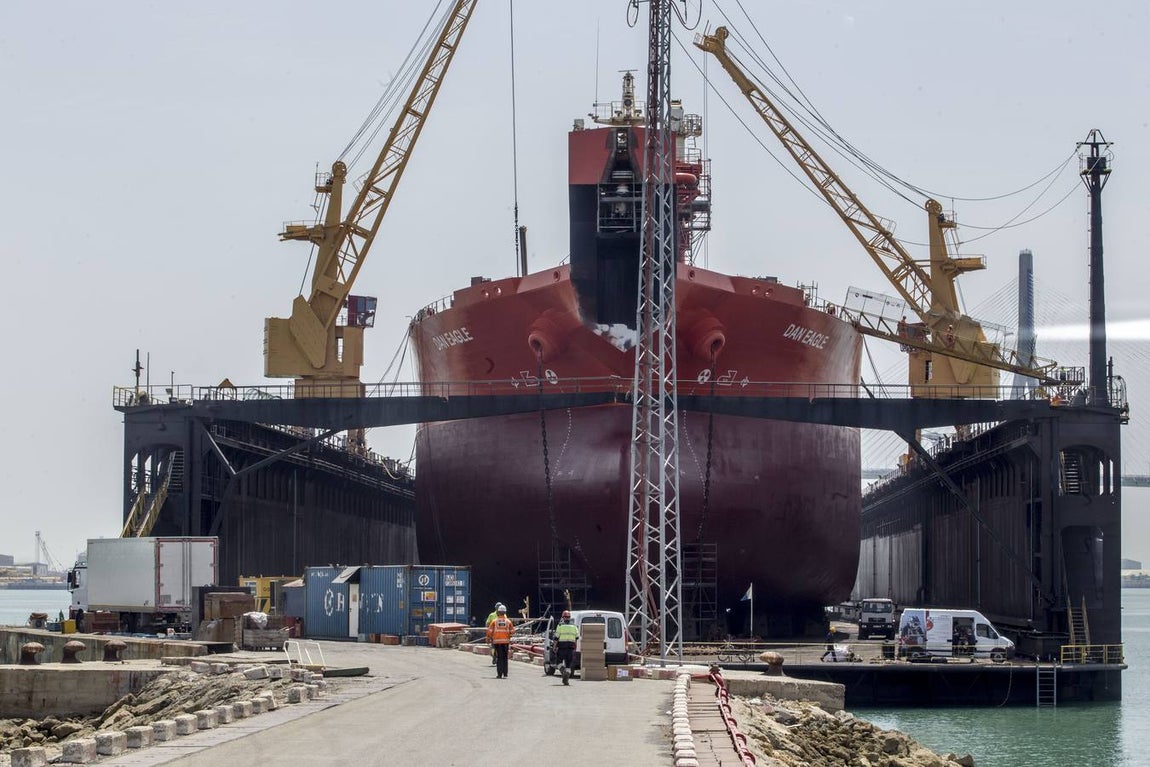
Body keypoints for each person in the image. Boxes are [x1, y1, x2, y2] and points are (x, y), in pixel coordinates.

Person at [487, 604, 515, 678]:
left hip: (497, 642)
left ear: (498, 612)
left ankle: (499, 675)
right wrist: (509, 636)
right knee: (505, 658)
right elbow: (512, 631)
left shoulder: (494, 621)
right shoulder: (508, 622)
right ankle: (505, 674)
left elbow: (489, 631)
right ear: (505, 612)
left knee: (499, 658)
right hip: (505, 642)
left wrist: (488, 638)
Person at [554, 610, 580, 685]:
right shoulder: (574, 626)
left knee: (558, 662)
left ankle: (563, 670)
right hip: (571, 649)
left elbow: (556, 638)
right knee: (568, 665)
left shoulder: (560, 626)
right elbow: (576, 638)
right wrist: (575, 648)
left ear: (563, 617)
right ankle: (566, 680)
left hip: (562, 648)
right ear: (570, 617)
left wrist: (554, 647)